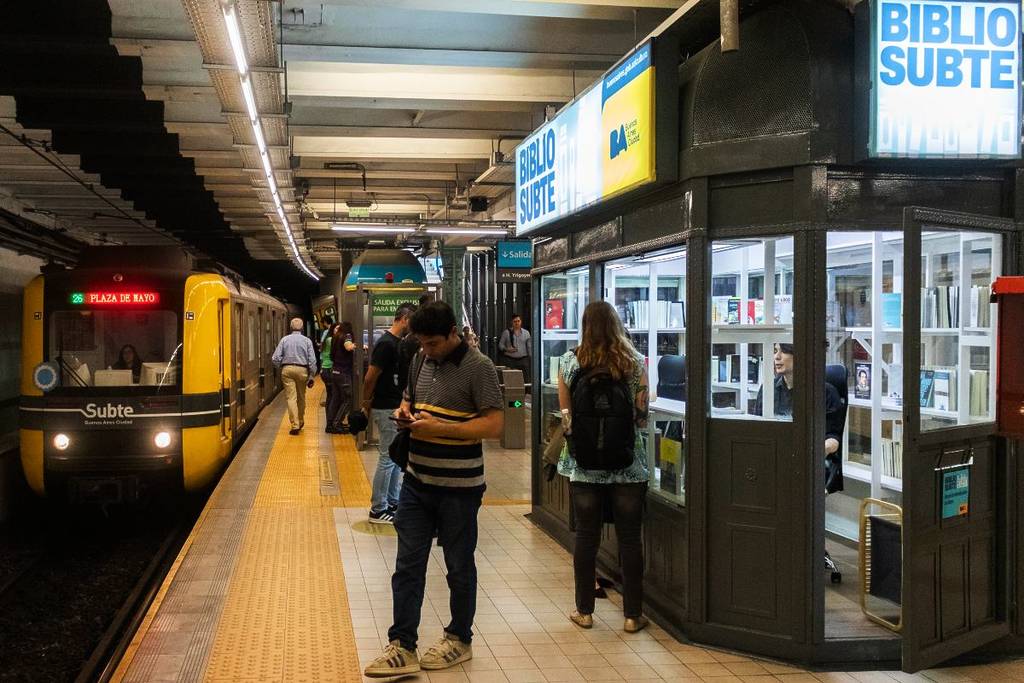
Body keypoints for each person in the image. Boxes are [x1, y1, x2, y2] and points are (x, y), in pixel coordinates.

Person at [363, 301, 503, 678]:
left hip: (459, 487)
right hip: (416, 482)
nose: (428, 350)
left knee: (458, 565)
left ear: (454, 333)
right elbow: (411, 399)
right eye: (422, 343)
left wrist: (441, 429)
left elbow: (494, 425)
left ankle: (459, 637)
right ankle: (402, 644)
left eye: (435, 343)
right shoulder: (419, 361)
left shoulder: (480, 368)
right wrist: (405, 414)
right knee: (407, 565)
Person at [556, 301, 650, 634]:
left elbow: (566, 419)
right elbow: (642, 416)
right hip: (628, 464)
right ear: (617, 325)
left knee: (586, 538)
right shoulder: (636, 363)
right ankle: (632, 615)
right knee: (629, 540)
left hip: (583, 466)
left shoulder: (569, 362)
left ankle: (584, 611)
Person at [361, 302, 417, 524]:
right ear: (404, 319)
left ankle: (392, 501)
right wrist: (366, 403)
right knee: (386, 457)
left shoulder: (397, 343)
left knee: (394, 457)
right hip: (385, 406)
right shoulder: (386, 344)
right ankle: (378, 508)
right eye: (412, 321)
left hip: (392, 406)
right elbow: (370, 377)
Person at [754, 343, 842, 458]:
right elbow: (757, 427)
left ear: (801, 355)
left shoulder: (825, 392)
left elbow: (833, 437)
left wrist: (820, 450)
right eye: (775, 351)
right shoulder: (768, 388)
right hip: (772, 454)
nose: (776, 357)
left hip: (805, 457)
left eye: (783, 351)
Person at [271, 317, 317, 435]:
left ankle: (294, 424)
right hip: (302, 370)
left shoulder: (284, 340)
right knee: (301, 397)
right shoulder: (307, 341)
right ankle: (301, 420)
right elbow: (312, 360)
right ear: (302, 328)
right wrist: (312, 375)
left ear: (291, 327)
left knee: (291, 398)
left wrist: (281, 366)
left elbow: (275, 358)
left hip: (287, 369)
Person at [328, 322, 357, 433]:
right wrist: (356, 345)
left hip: (335, 371)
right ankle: (337, 423)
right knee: (347, 400)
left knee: (336, 399)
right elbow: (348, 346)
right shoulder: (347, 335)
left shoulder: (336, 337)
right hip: (343, 372)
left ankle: (331, 424)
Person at [498, 314, 531, 385]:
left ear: (521, 322)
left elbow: (529, 347)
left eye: (518, 321)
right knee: (510, 379)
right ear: (512, 322)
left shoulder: (526, 333)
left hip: (523, 359)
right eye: (515, 321)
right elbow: (500, 345)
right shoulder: (506, 333)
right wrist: (506, 349)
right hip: (510, 360)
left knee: (526, 379)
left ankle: (527, 393)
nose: (517, 323)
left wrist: (530, 358)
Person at [320, 322, 338, 425]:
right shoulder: (331, 340)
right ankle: (331, 421)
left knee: (330, 395)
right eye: (336, 329)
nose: (338, 332)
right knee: (332, 396)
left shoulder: (327, 339)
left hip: (326, 369)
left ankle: (330, 420)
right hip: (330, 369)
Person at [318, 316, 335, 407]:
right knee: (332, 391)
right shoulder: (330, 337)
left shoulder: (326, 334)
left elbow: (321, 344)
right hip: (330, 366)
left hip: (325, 365)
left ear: (325, 322)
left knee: (329, 390)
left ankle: (329, 407)